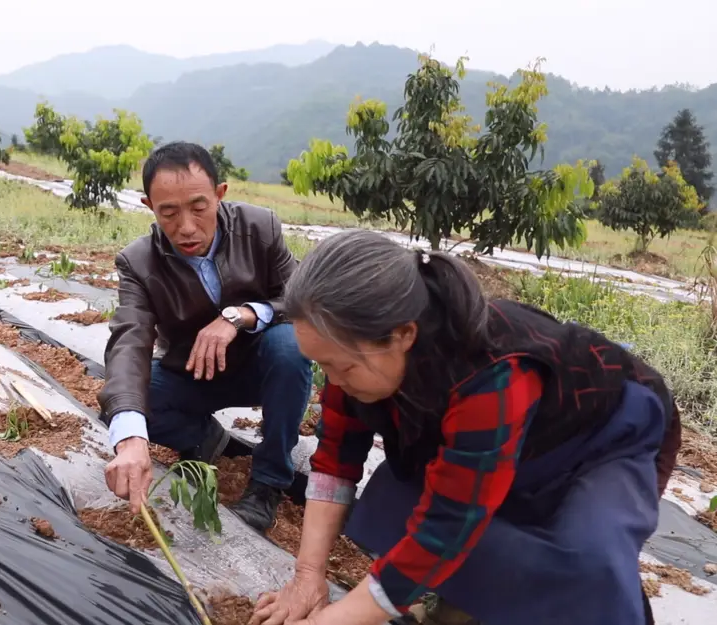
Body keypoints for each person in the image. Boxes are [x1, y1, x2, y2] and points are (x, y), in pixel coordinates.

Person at [251, 230, 680, 625]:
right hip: (512, 441)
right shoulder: (352, 348)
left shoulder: (491, 373)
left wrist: (333, 620)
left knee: (588, 559)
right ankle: (454, 601)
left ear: (402, 335)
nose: (332, 380)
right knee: (395, 500)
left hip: (604, 437)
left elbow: (449, 523)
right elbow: (335, 460)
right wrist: (308, 576)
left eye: (339, 366)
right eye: (323, 365)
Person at [99, 141, 312, 531]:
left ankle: (268, 482)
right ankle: (205, 438)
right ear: (149, 207)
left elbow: (299, 298)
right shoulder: (138, 261)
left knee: (291, 345)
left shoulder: (259, 228)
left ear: (220, 194)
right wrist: (129, 438)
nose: (186, 227)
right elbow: (129, 338)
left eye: (199, 208)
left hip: (261, 368)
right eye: (169, 212)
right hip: (194, 373)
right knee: (121, 406)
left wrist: (241, 316)